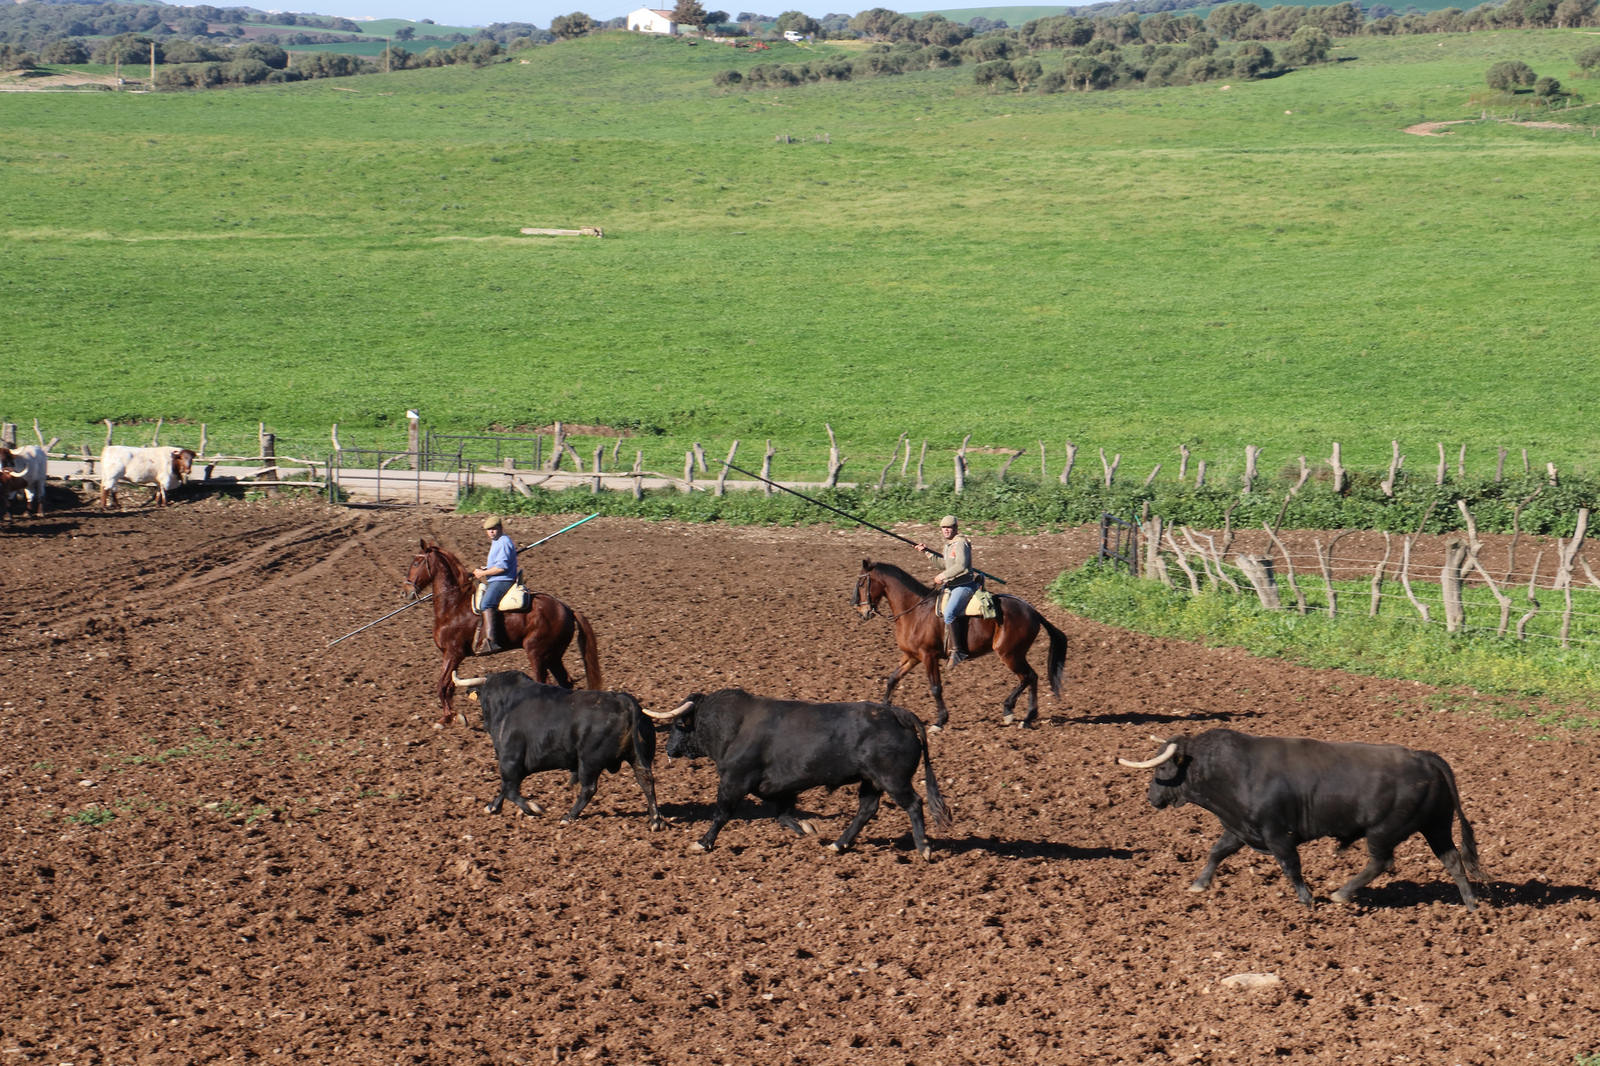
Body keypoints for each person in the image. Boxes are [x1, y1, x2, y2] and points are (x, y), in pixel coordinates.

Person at [915, 514, 979, 667]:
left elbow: (961, 566)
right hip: (952, 585)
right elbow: (945, 564)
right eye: (944, 528)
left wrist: (943, 576)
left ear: (955, 528)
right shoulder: (948, 545)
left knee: (949, 613)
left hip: (963, 586)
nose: (946, 530)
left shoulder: (961, 543)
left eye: (949, 528)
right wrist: (927, 552)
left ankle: (958, 651)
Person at [473, 515, 519, 654]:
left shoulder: (503, 542)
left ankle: (491, 641)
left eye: (494, 529)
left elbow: (501, 568)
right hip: (497, 579)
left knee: (486, 604)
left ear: (500, 528)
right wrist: (485, 569)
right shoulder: (497, 542)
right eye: (489, 530)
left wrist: (483, 574)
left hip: (503, 580)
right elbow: (496, 564)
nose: (491, 532)